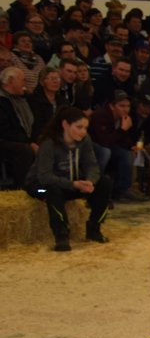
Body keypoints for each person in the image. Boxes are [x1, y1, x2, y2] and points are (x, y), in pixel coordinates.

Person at [25, 106, 112, 251]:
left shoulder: (85, 140)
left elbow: (92, 165)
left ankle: (94, 228)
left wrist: (90, 181)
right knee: (52, 190)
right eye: (79, 127)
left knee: (105, 182)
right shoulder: (49, 144)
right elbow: (44, 177)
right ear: (65, 125)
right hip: (40, 187)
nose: (83, 132)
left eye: (85, 128)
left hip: (70, 184)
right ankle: (61, 235)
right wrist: (73, 184)